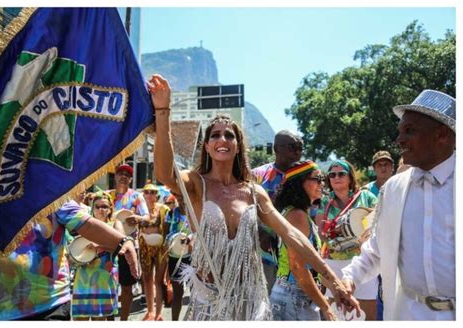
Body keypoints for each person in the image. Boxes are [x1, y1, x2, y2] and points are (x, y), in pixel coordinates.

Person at [148, 73, 359, 320]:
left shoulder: (253, 192)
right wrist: (163, 110)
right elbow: (164, 174)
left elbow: (291, 235)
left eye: (229, 135)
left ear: (238, 145)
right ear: (206, 146)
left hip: (250, 301)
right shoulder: (195, 184)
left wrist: (334, 282)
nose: (222, 139)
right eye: (214, 135)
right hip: (208, 303)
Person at [341, 90, 456, 320]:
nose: (399, 140)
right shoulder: (393, 189)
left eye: (410, 131)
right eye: (400, 131)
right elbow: (377, 250)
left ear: (442, 134)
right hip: (409, 314)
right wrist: (349, 278)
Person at [0, 196, 139, 320]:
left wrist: (123, 241)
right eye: (98, 206)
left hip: (50, 303)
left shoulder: (50, 191)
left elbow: (85, 223)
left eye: (104, 206)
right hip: (0, 310)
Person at [270, 160, 336, 320]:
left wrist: (335, 290)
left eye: (323, 179)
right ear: (299, 183)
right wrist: (325, 307)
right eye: (317, 179)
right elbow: (298, 266)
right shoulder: (297, 216)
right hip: (293, 298)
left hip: (294, 297)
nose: (322, 184)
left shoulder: (296, 213)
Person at [315, 159, 378, 320]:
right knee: (336, 313)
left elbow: (378, 221)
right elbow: (321, 233)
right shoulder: (325, 201)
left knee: (366, 313)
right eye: (332, 175)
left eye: (341, 173)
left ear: (350, 177)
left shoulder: (366, 196)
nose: (337, 177)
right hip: (333, 262)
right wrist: (333, 233)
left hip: (363, 261)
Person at [252, 130, 303, 294]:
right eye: (292, 147)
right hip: (264, 255)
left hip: (297, 254)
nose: (297, 152)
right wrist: (260, 233)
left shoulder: (306, 176)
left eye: (300, 148)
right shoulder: (258, 176)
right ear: (276, 149)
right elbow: (242, 210)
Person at [71, 191, 124, 320]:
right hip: (83, 277)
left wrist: (99, 246)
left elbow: (122, 248)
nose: (101, 209)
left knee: (99, 318)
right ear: (92, 208)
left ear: (110, 209)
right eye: (97, 206)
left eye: (105, 206)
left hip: (104, 279)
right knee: (80, 319)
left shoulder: (115, 224)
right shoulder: (85, 225)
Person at [109, 163, 149, 321]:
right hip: (108, 245)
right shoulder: (107, 196)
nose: (124, 176)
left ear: (131, 179)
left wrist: (138, 218)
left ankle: (124, 321)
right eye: (120, 173)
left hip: (129, 247)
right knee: (108, 286)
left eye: (127, 174)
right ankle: (109, 319)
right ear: (115, 176)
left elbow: (147, 218)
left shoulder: (136, 197)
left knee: (126, 287)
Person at [362, 150, 395, 320]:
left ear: (392, 167)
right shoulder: (365, 192)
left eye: (387, 164)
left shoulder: (401, 187)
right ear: (374, 168)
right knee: (374, 292)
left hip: (395, 247)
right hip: (373, 247)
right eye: (379, 165)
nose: (383, 168)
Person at [139, 183, 170, 321]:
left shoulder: (163, 209)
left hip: (160, 247)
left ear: (156, 195)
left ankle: (159, 313)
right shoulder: (140, 209)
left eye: (152, 192)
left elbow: (168, 227)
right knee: (146, 279)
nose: (150, 195)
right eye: (147, 192)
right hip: (144, 246)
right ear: (143, 194)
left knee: (158, 280)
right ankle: (150, 311)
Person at [165, 193, 193, 321]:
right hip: (175, 257)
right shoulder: (170, 214)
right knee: (177, 293)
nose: (182, 199)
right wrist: (170, 242)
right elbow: (165, 234)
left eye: (184, 196)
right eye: (179, 197)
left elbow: (201, 232)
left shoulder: (195, 212)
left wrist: (191, 239)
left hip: (193, 256)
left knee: (196, 293)